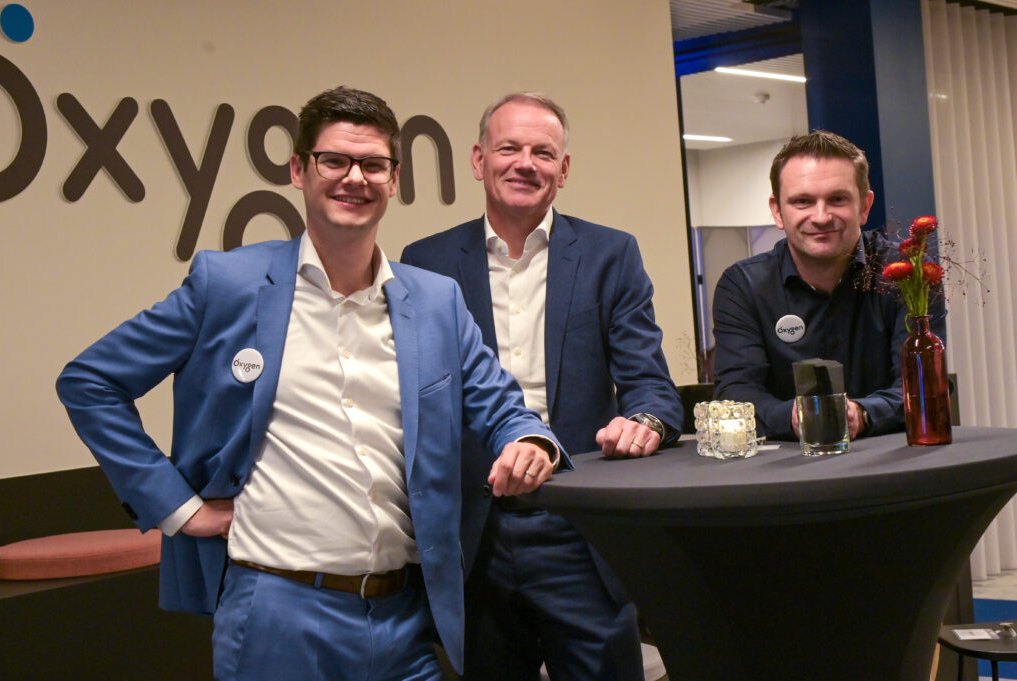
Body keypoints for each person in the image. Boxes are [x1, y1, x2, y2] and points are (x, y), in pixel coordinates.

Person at [56, 87, 566, 681]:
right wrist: (177, 506)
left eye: (373, 164)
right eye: (334, 161)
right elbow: (90, 381)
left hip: (405, 620)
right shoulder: (228, 285)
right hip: (278, 614)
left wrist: (528, 440)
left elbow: (502, 406)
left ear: (394, 179)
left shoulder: (435, 302)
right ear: (299, 170)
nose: (355, 178)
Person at [401, 92, 681, 681]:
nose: (525, 163)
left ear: (564, 169)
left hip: (580, 528)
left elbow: (651, 386)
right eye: (509, 148)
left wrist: (645, 423)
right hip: (474, 534)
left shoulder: (610, 254)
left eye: (543, 152)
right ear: (478, 160)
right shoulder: (424, 263)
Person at [712, 130, 946, 440]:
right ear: (777, 211)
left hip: (891, 459)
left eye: (837, 199)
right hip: (787, 464)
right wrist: (796, 417)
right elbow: (737, 394)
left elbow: (922, 385)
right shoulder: (743, 287)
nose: (821, 217)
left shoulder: (908, 277)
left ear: (864, 206)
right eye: (803, 201)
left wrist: (861, 414)